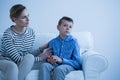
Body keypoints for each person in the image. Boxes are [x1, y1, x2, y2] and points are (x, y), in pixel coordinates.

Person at [0, 4, 51, 80]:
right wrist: (39, 59)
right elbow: (16, 59)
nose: (28, 19)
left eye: (28, 16)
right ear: (14, 19)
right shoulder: (8, 34)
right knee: (12, 66)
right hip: (4, 60)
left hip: (20, 62)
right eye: (24, 17)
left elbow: (27, 54)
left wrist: (41, 49)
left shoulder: (31, 32)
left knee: (30, 56)